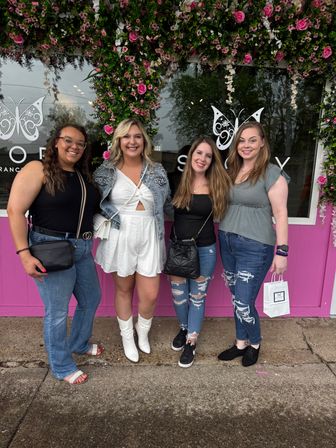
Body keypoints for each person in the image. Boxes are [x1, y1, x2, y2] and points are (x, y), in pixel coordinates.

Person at [7, 124, 102, 385]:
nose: (74, 146)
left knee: (91, 298)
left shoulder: (82, 176)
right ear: (56, 142)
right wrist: (24, 254)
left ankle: (79, 343)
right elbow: (15, 210)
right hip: (52, 247)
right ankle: (61, 366)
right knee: (57, 311)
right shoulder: (38, 169)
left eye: (80, 143)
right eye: (68, 140)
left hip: (82, 247)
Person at [93, 118, 172, 363]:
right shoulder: (105, 171)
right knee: (124, 289)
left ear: (144, 141)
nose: (132, 141)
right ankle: (128, 338)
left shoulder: (157, 170)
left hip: (150, 232)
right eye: (126, 136)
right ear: (118, 140)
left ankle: (142, 332)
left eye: (137, 136)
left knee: (149, 294)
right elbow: (93, 202)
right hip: (120, 234)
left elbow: (167, 203)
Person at [217, 122, 289, 367]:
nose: (245, 145)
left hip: (255, 246)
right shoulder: (231, 170)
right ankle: (240, 343)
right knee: (236, 296)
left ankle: (255, 342)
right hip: (227, 241)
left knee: (243, 301)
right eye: (241, 140)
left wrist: (282, 252)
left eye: (251, 140)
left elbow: (280, 215)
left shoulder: (272, 174)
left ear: (262, 143)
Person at [168, 136, 231, 368]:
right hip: (177, 248)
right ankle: (184, 328)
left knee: (197, 297)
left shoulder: (218, 185)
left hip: (205, 250)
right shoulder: (175, 180)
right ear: (191, 154)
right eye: (199, 153)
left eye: (208, 155)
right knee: (178, 296)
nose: (202, 158)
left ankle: (191, 342)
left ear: (212, 160)